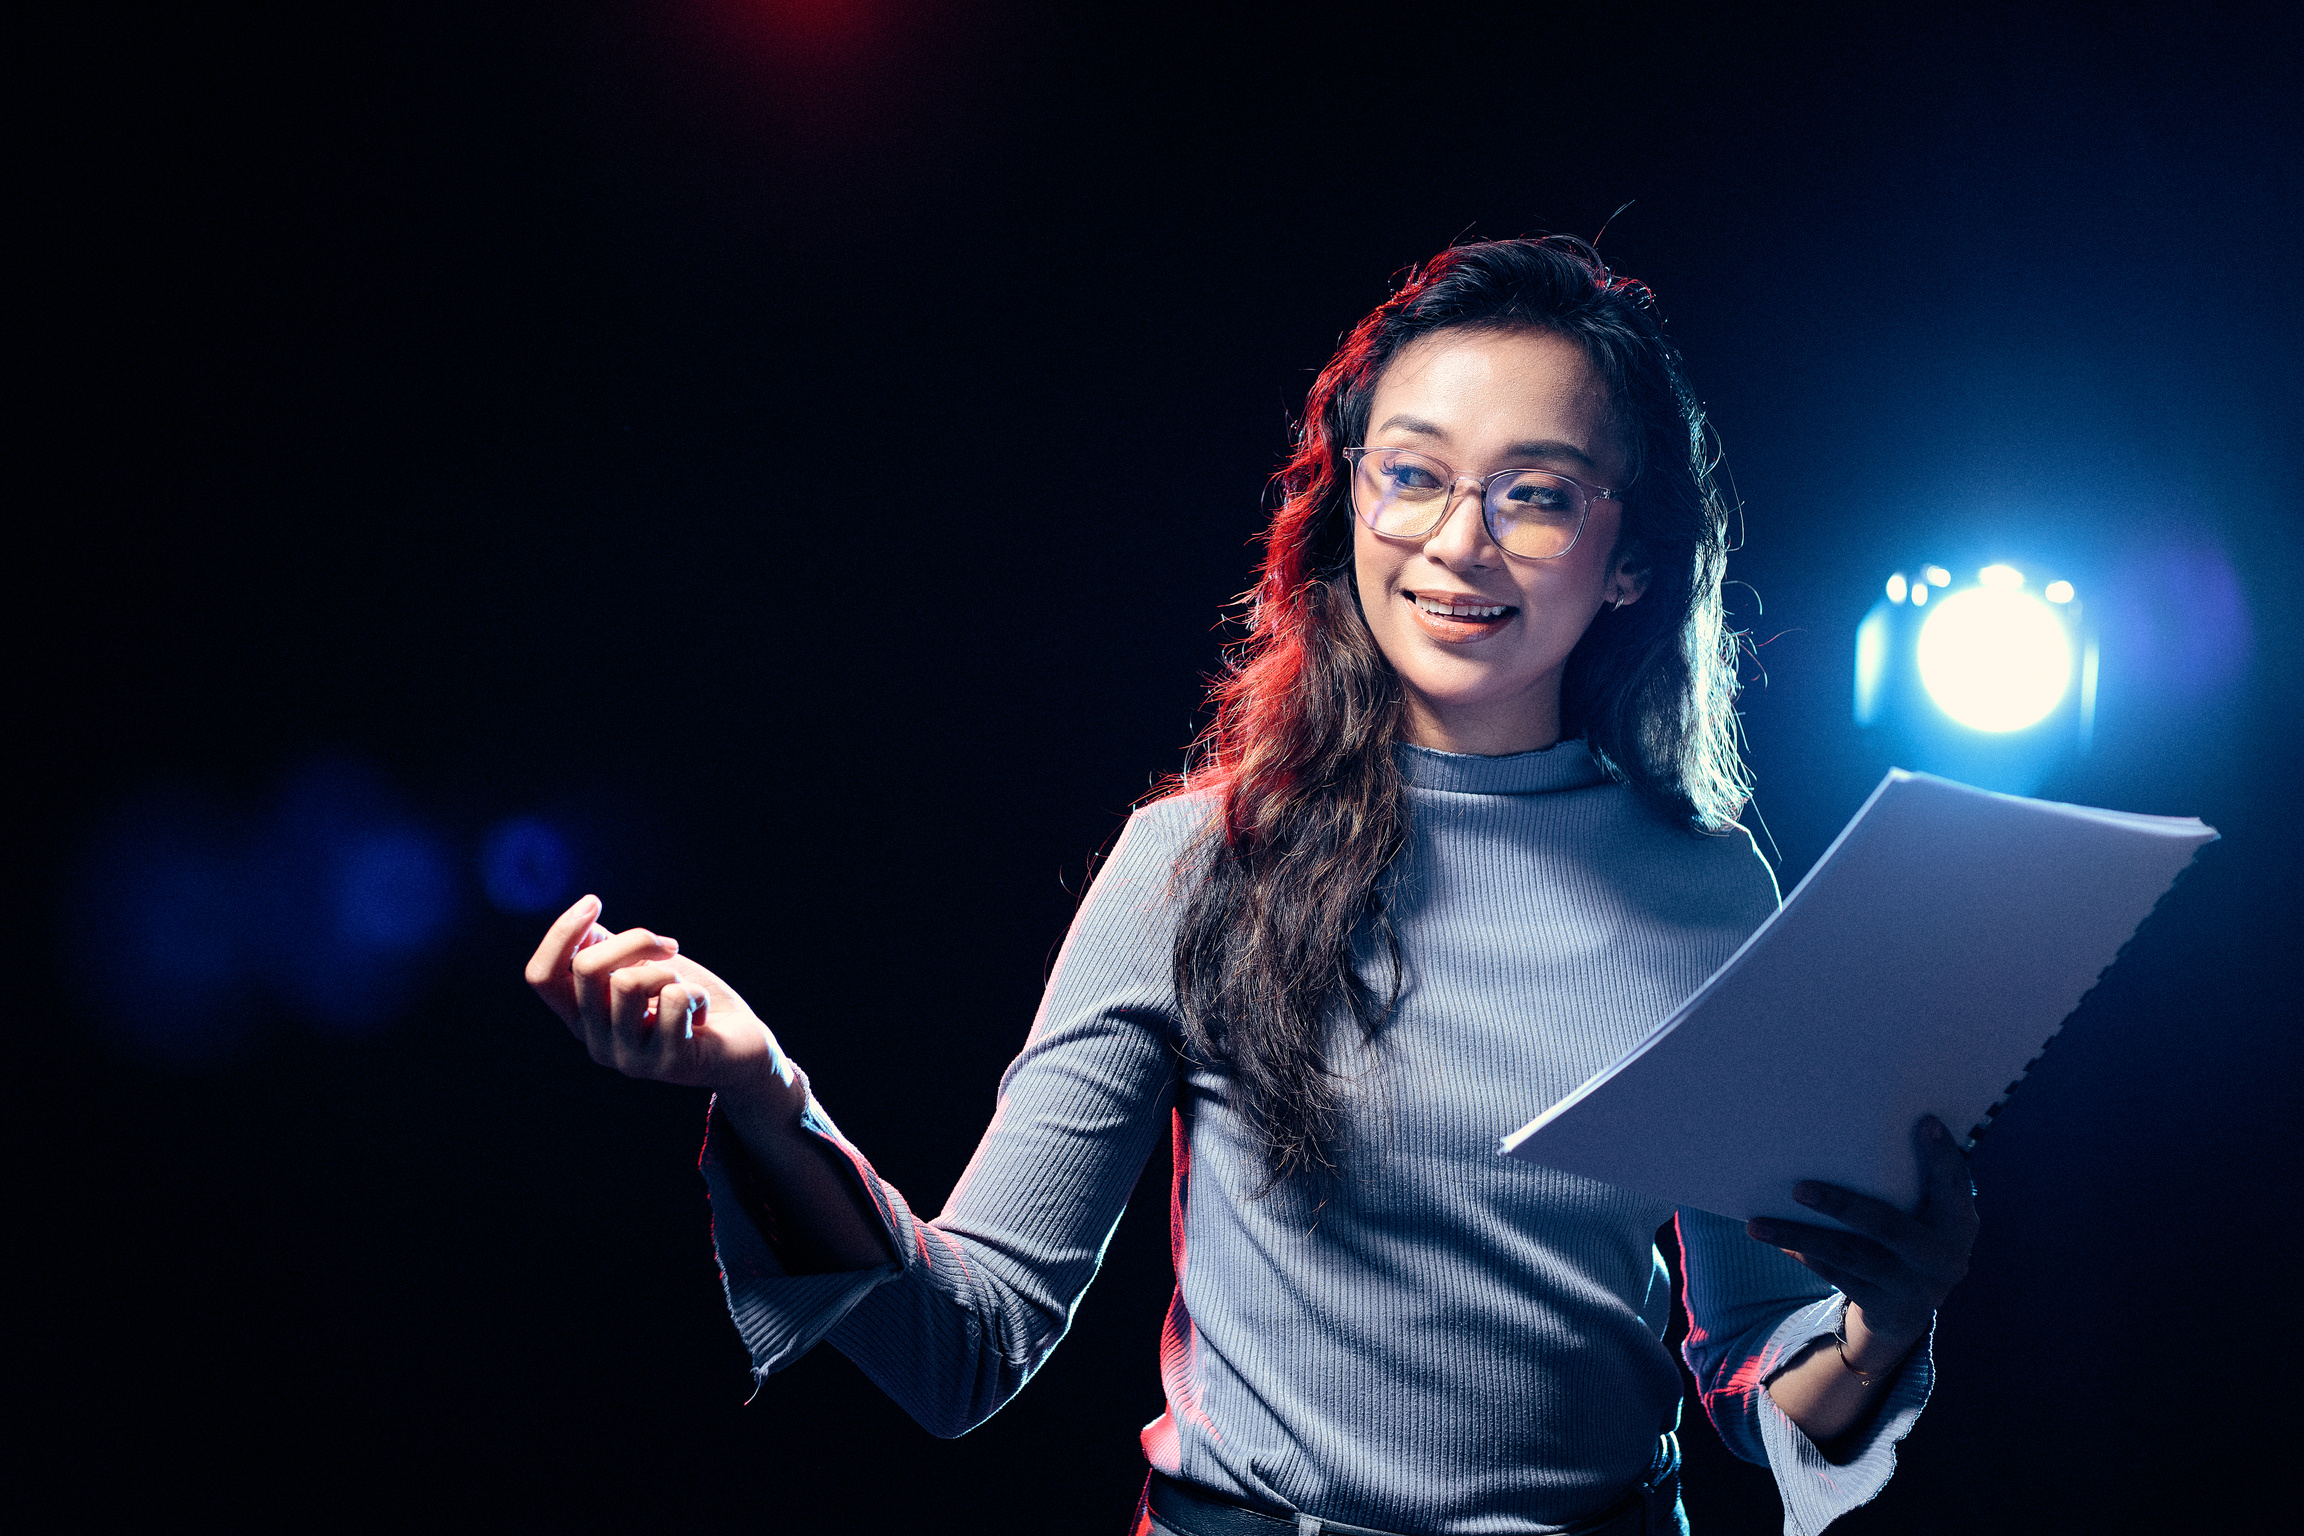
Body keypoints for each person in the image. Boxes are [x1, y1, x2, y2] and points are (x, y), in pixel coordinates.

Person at [524, 237, 1977, 1536]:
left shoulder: (1709, 890)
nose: (1459, 541)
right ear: (1349, 503)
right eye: (1412, 474)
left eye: (1536, 495)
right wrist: (771, 1098)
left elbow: (1768, 1401)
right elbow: (964, 1349)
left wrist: (1888, 1319)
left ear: (1631, 566)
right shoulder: (1197, 863)